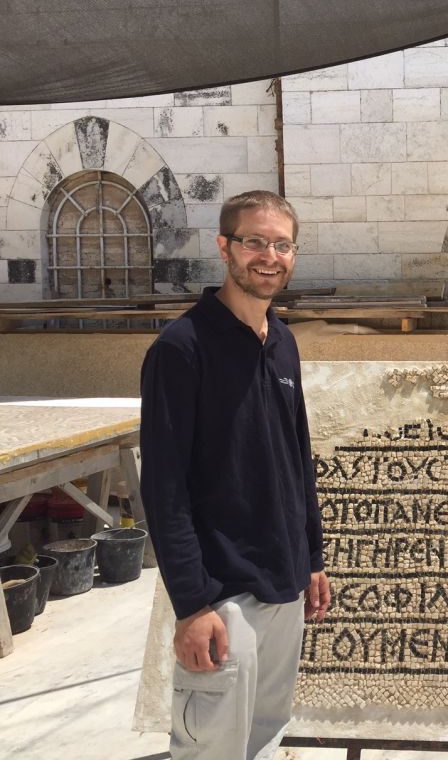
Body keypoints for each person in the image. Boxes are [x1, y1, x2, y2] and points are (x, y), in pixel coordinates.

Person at [140, 190, 329, 760]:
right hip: (223, 598)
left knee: (267, 737)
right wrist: (192, 606)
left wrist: (313, 560)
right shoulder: (182, 348)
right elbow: (164, 488)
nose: (268, 256)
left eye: (281, 244)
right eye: (253, 241)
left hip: (285, 585)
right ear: (224, 247)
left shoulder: (284, 342)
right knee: (212, 750)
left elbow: (298, 460)